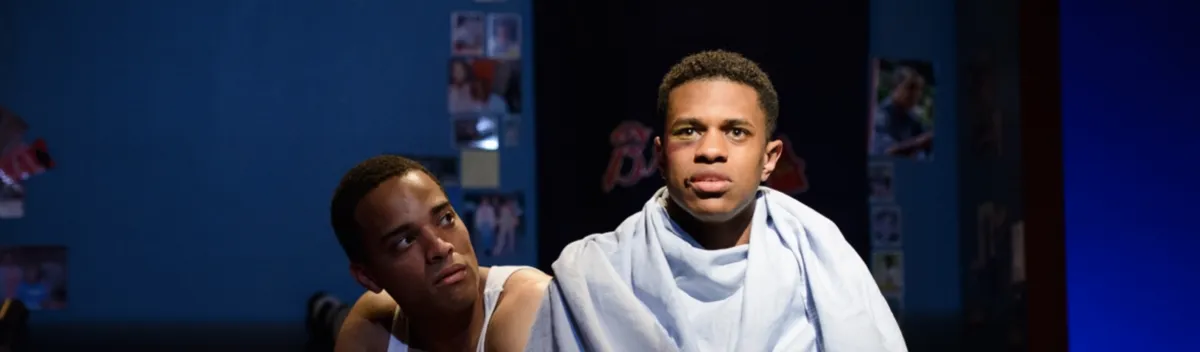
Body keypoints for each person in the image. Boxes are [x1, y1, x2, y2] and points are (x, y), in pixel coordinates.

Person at [526, 50, 906, 351]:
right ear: (660, 156)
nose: (710, 150)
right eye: (689, 131)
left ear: (769, 159)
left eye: (736, 132)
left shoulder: (826, 267)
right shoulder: (594, 275)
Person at [329, 155, 550, 352]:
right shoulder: (373, 326)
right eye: (405, 241)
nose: (441, 248)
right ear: (368, 277)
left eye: (446, 219)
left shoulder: (528, 303)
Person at [872, 66, 934, 159]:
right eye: (910, 87)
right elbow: (886, 152)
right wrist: (918, 143)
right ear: (895, 88)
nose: (915, 94)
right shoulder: (880, 116)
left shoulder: (913, 119)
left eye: (919, 89)